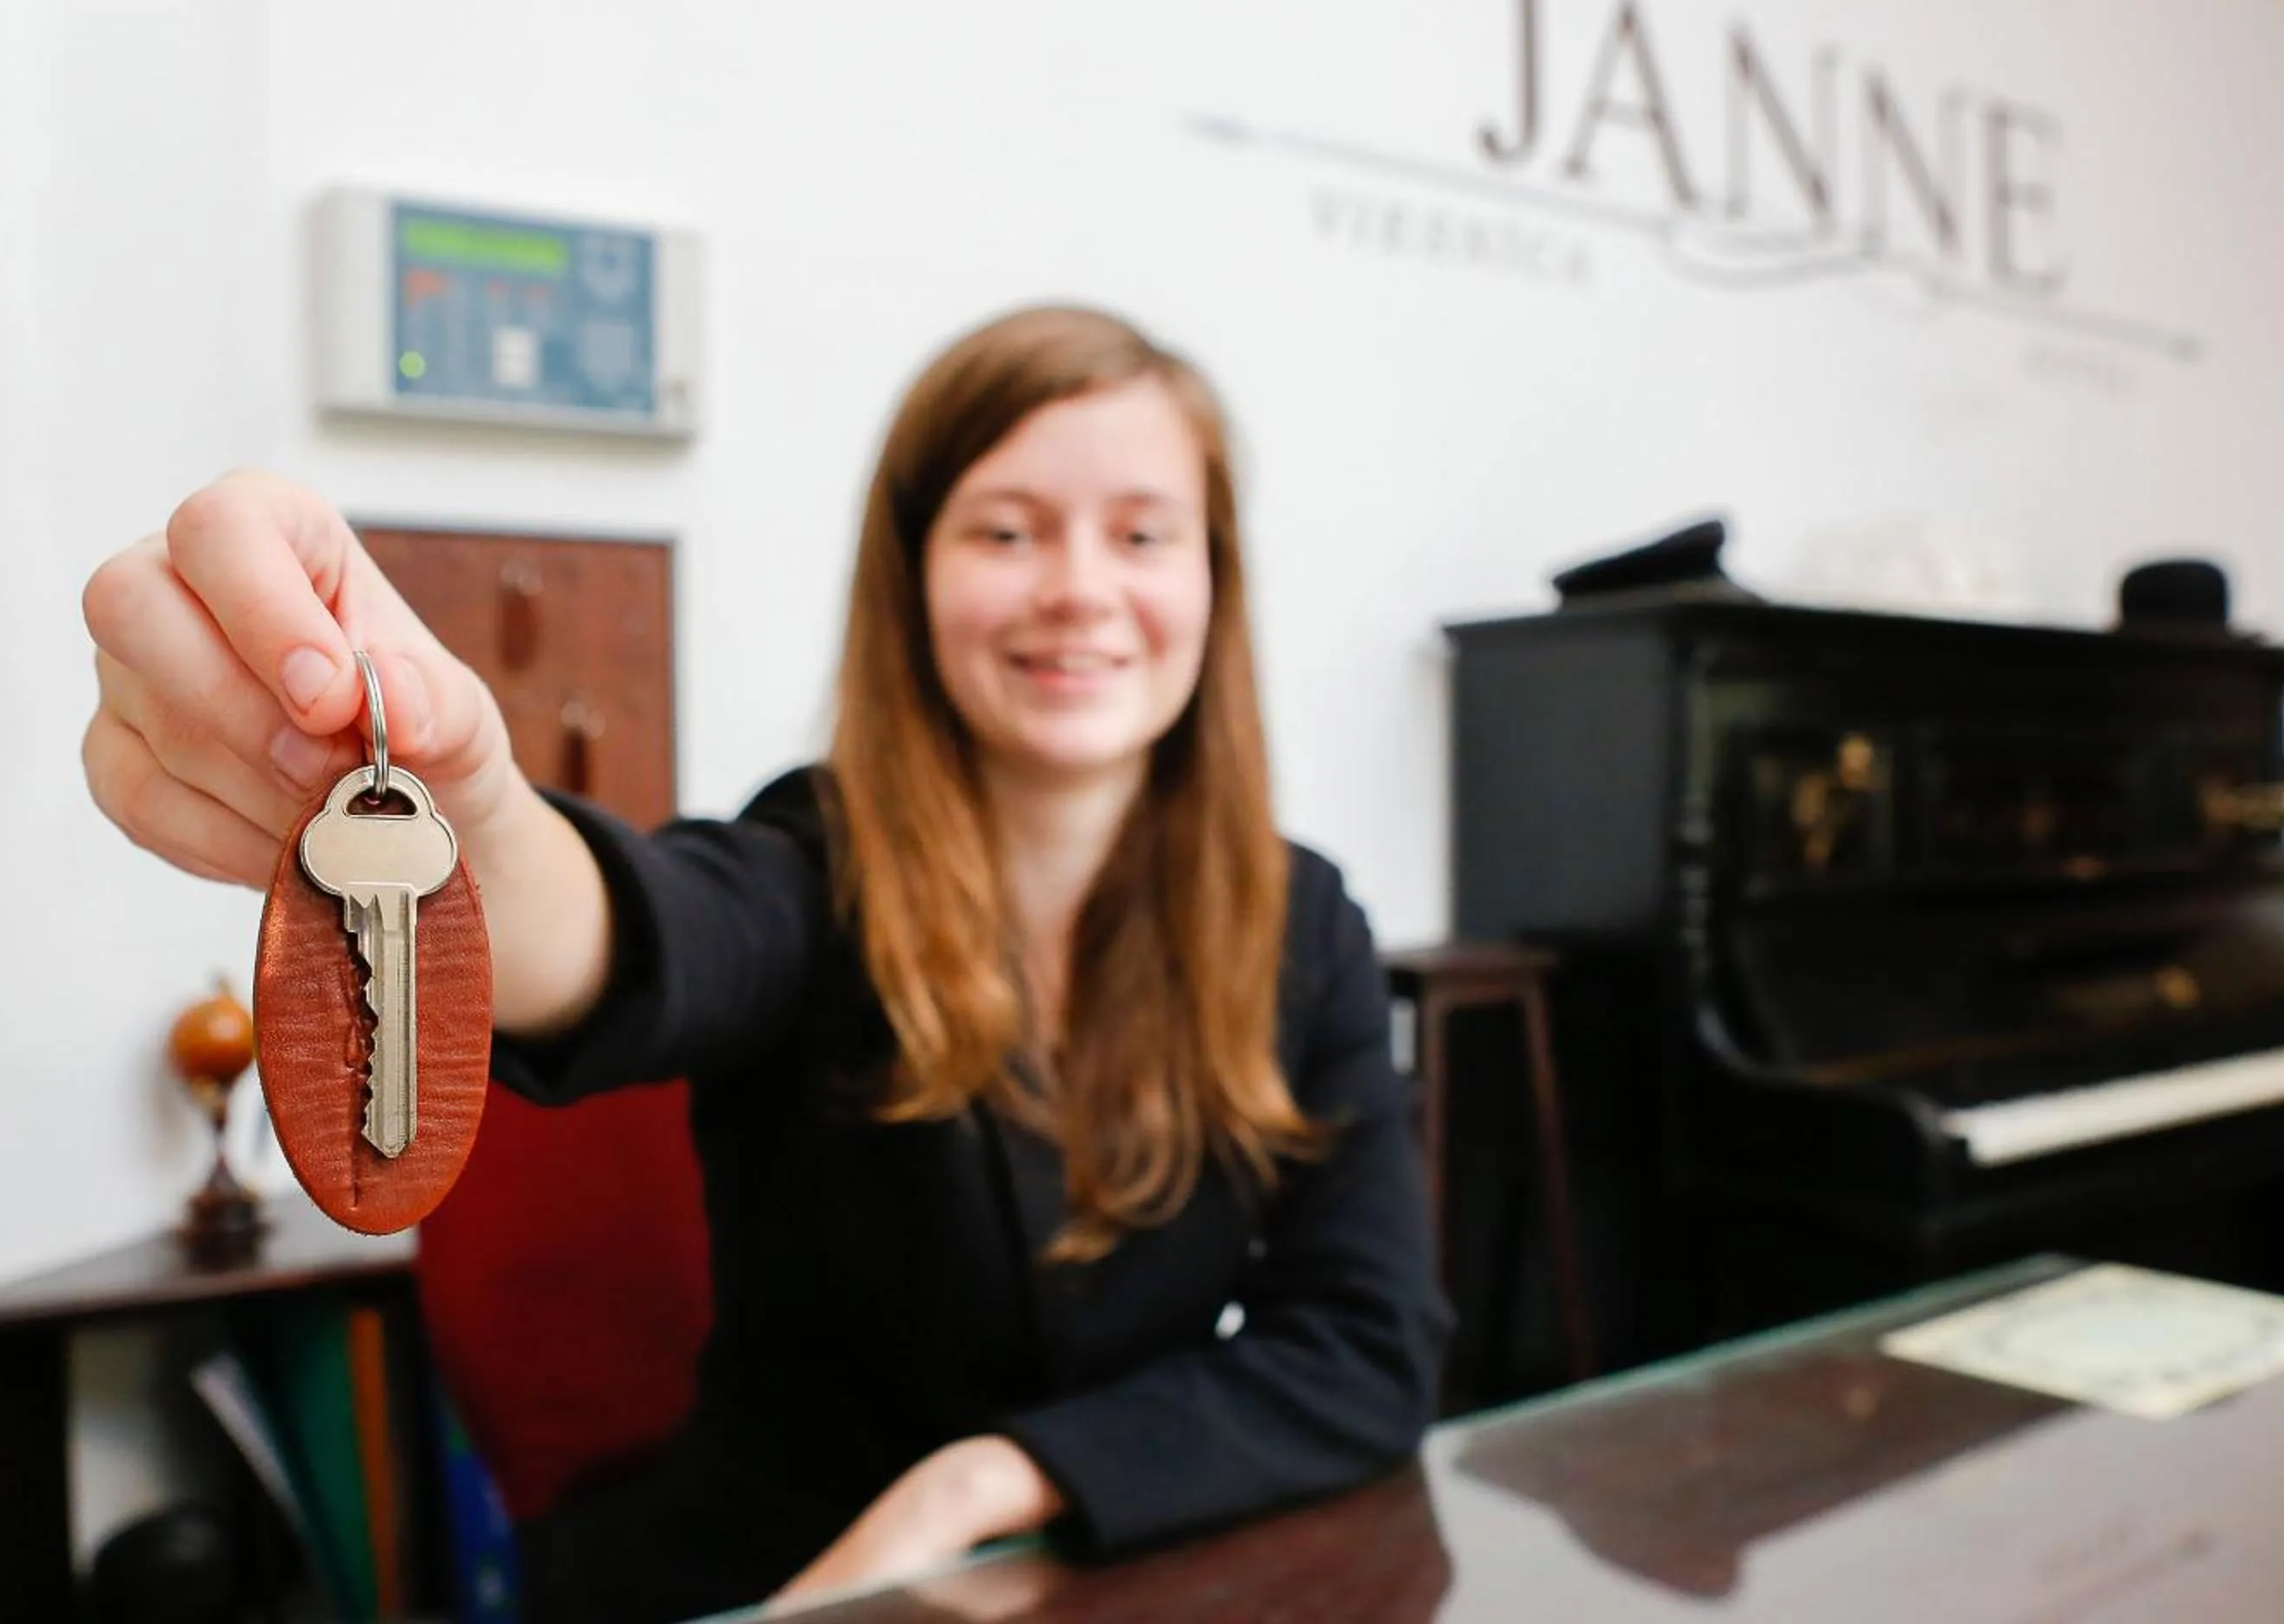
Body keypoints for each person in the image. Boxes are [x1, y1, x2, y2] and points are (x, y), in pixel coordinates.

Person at [81, 304, 1450, 1618]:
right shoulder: (812, 866)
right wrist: (481, 821)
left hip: (1118, 1578)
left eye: (1144, 532)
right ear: (913, 576)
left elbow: (1366, 1347)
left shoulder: (1301, 923)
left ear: (1213, 576)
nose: (1079, 587)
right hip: (777, 1590)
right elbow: (637, 935)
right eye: (1007, 530)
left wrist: (989, 1480)